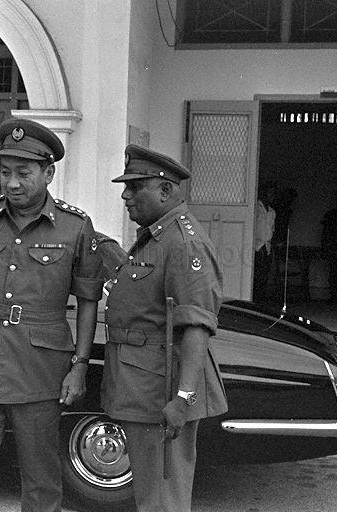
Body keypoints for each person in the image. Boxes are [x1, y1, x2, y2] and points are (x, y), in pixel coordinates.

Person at [0, 118, 103, 512]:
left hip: (41, 369)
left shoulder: (75, 226)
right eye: (4, 173)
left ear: (48, 173)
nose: (12, 183)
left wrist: (80, 366)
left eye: (23, 173)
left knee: (41, 480)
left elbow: (88, 299)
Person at [102, 145, 227, 512]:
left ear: (166, 190)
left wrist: (183, 399)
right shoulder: (157, 234)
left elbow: (196, 328)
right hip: (145, 384)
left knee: (161, 501)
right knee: (151, 495)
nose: (126, 195)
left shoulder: (183, 242)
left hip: (163, 391)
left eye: (135, 186)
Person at [253, 180, 277, 302]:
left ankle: (261, 300)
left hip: (266, 246)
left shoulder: (272, 212)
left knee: (264, 275)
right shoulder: (255, 207)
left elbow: (272, 229)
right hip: (256, 245)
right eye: (270, 193)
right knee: (256, 275)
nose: (272, 196)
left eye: (274, 194)